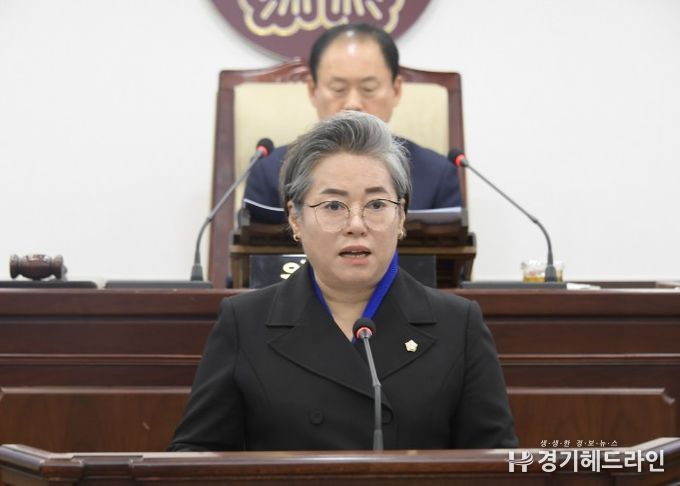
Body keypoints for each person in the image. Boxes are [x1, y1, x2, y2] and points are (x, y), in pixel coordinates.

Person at [169, 111, 517, 451]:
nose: (356, 224)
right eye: (334, 206)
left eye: (376, 204)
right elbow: (193, 459)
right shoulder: (245, 322)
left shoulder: (459, 325)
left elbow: (501, 465)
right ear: (295, 219)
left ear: (401, 217)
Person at [242, 22, 462, 224]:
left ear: (396, 90)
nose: (353, 103)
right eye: (338, 89)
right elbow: (249, 252)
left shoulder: (437, 175)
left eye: (368, 89)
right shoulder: (269, 171)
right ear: (312, 90)